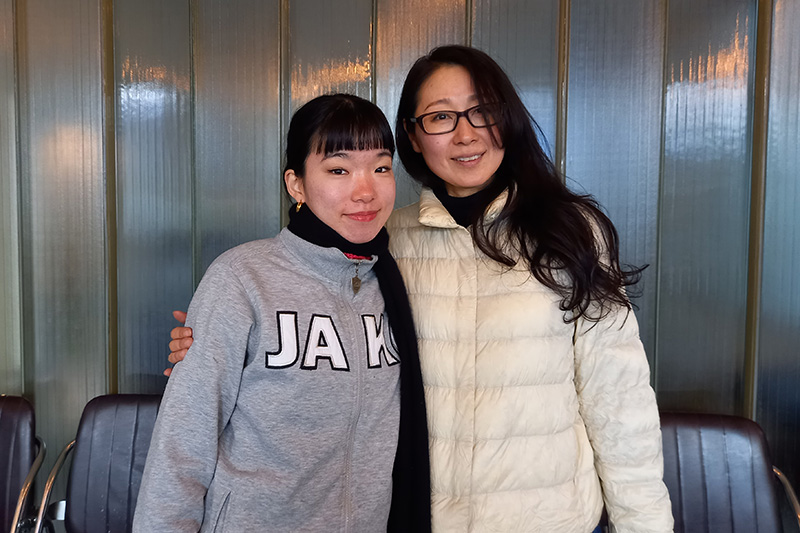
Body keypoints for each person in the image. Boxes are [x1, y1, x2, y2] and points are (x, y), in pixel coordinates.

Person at [169, 46, 674, 532]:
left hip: (552, 521)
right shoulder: (383, 239)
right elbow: (311, 325)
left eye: (483, 111)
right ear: (412, 135)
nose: (466, 134)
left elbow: (618, 401)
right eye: (440, 117)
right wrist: (215, 347)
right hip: (421, 521)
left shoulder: (573, 233)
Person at [135, 94, 431, 533]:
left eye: (381, 168)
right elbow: (183, 440)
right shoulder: (242, 277)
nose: (365, 191)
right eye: (338, 170)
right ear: (296, 185)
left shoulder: (394, 281)